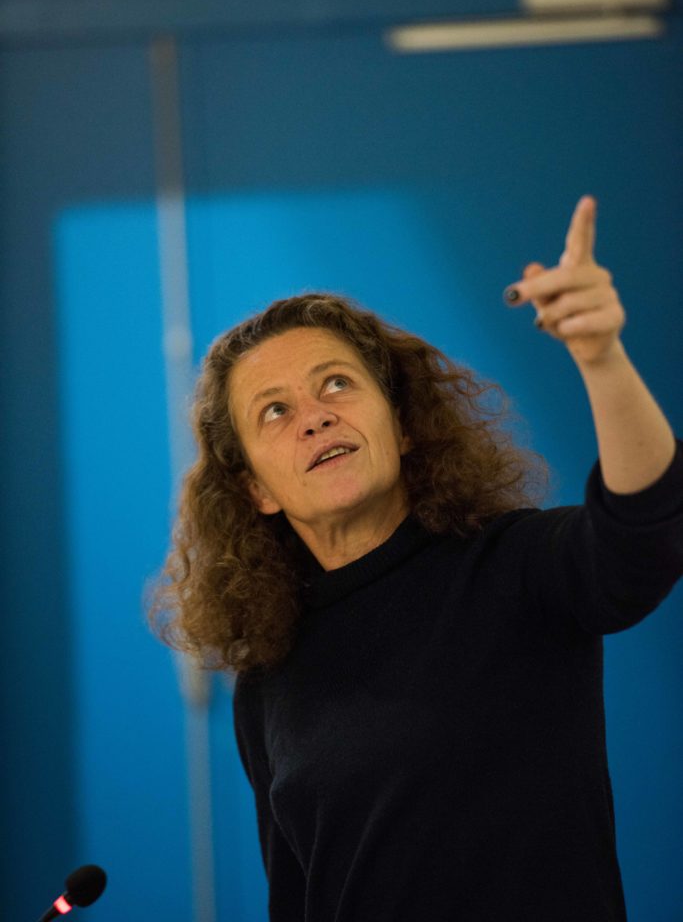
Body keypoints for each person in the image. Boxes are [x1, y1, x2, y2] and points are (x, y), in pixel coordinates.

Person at [149, 195, 682, 921]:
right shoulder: (267, 676)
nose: (315, 417)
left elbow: (643, 535)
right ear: (256, 490)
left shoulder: (513, 566)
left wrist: (602, 357)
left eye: (337, 383)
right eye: (275, 411)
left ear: (401, 426)